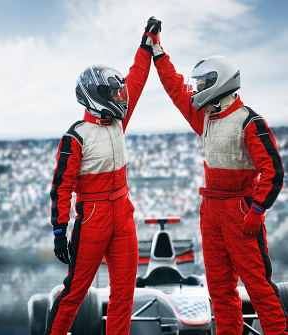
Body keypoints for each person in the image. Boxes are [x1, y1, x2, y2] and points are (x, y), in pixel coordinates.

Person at [142, 17, 288, 335]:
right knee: (220, 291)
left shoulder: (249, 120)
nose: (196, 90)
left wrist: (256, 211)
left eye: (203, 83)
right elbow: (176, 89)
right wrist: (158, 53)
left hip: (239, 211)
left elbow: (274, 171)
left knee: (260, 289)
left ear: (219, 82)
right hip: (211, 211)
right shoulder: (206, 117)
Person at [44, 17, 161, 335]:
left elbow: (135, 80)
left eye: (120, 93)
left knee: (124, 295)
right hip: (93, 217)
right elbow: (61, 187)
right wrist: (59, 230)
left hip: (123, 214)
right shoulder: (76, 136)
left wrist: (145, 43)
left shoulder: (116, 122)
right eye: (115, 93)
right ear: (97, 96)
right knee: (74, 294)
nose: (122, 96)